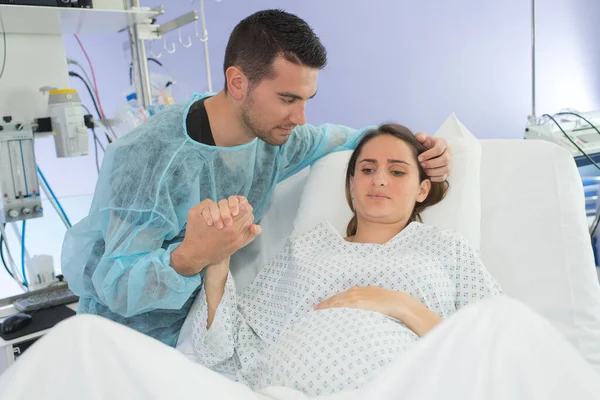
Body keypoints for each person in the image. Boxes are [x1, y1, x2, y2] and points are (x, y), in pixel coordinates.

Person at [2, 125, 598, 400]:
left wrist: (403, 306)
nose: (378, 180)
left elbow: (493, 344)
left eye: (397, 171)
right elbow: (223, 348)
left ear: (422, 190)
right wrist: (217, 263)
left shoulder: (445, 250)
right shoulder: (310, 246)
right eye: (366, 168)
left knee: (511, 322)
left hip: (397, 386)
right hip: (273, 391)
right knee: (77, 341)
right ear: (349, 183)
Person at [61, 9, 451, 347]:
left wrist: (424, 149)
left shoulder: (276, 140)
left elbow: (355, 141)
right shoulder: (148, 157)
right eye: (287, 99)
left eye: (306, 100)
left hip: (198, 337)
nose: (300, 118)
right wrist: (192, 255)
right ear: (237, 82)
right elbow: (115, 284)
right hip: (122, 340)